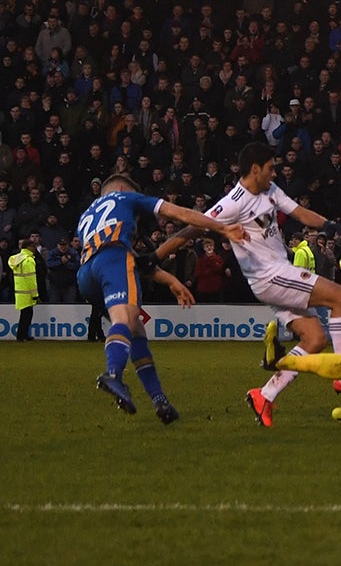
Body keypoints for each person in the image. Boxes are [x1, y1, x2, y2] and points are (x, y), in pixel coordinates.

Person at [159, 142, 341, 427]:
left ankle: (264, 395)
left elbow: (299, 213)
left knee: (315, 339)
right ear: (255, 169)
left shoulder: (270, 190)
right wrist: (155, 257)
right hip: (269, 275)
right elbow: (193, 228)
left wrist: (329, 224)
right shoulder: (233, 202)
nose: (274, 173)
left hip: (278, 273)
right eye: (270, 168)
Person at [75, 173, 245, 423]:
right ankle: (113, 374)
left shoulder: (87, 215)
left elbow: (134, 261)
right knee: (126, 317)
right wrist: (220, 227)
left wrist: (171, 281)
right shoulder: (125, 196)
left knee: (135, 331)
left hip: (86, 274)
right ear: (122, 188)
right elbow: (179, 214)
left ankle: (160, 401)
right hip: (112, 260)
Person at [9, 232, 41, 340]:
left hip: (20, 291)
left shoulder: (17, 259)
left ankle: (22, 335)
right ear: (28, 247)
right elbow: (31, 279)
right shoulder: (28, 260)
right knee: (27, 316)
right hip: (27, 293)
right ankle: (22, 335)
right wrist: (35, 294)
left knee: (25, 315)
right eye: (33, 246)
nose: (34, 248)